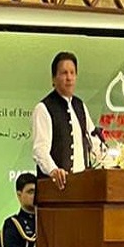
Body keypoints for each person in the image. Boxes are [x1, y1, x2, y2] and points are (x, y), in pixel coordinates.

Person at [32, 51, 102, 190]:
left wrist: (115, 164)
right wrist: (53, 170)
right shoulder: (44, 108)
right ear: (54, 78)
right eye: (64, 73)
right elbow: (40, 149)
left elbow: (94, 142)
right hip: (55, 189)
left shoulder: (80, 106)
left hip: (81, 187)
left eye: (72, 73)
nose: (69, 78)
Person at [2, 173, 37, 247]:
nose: (35, 196)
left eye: (37, 192)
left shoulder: (46, 222)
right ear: (19, 195)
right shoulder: (13, 224)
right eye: (30, 192)